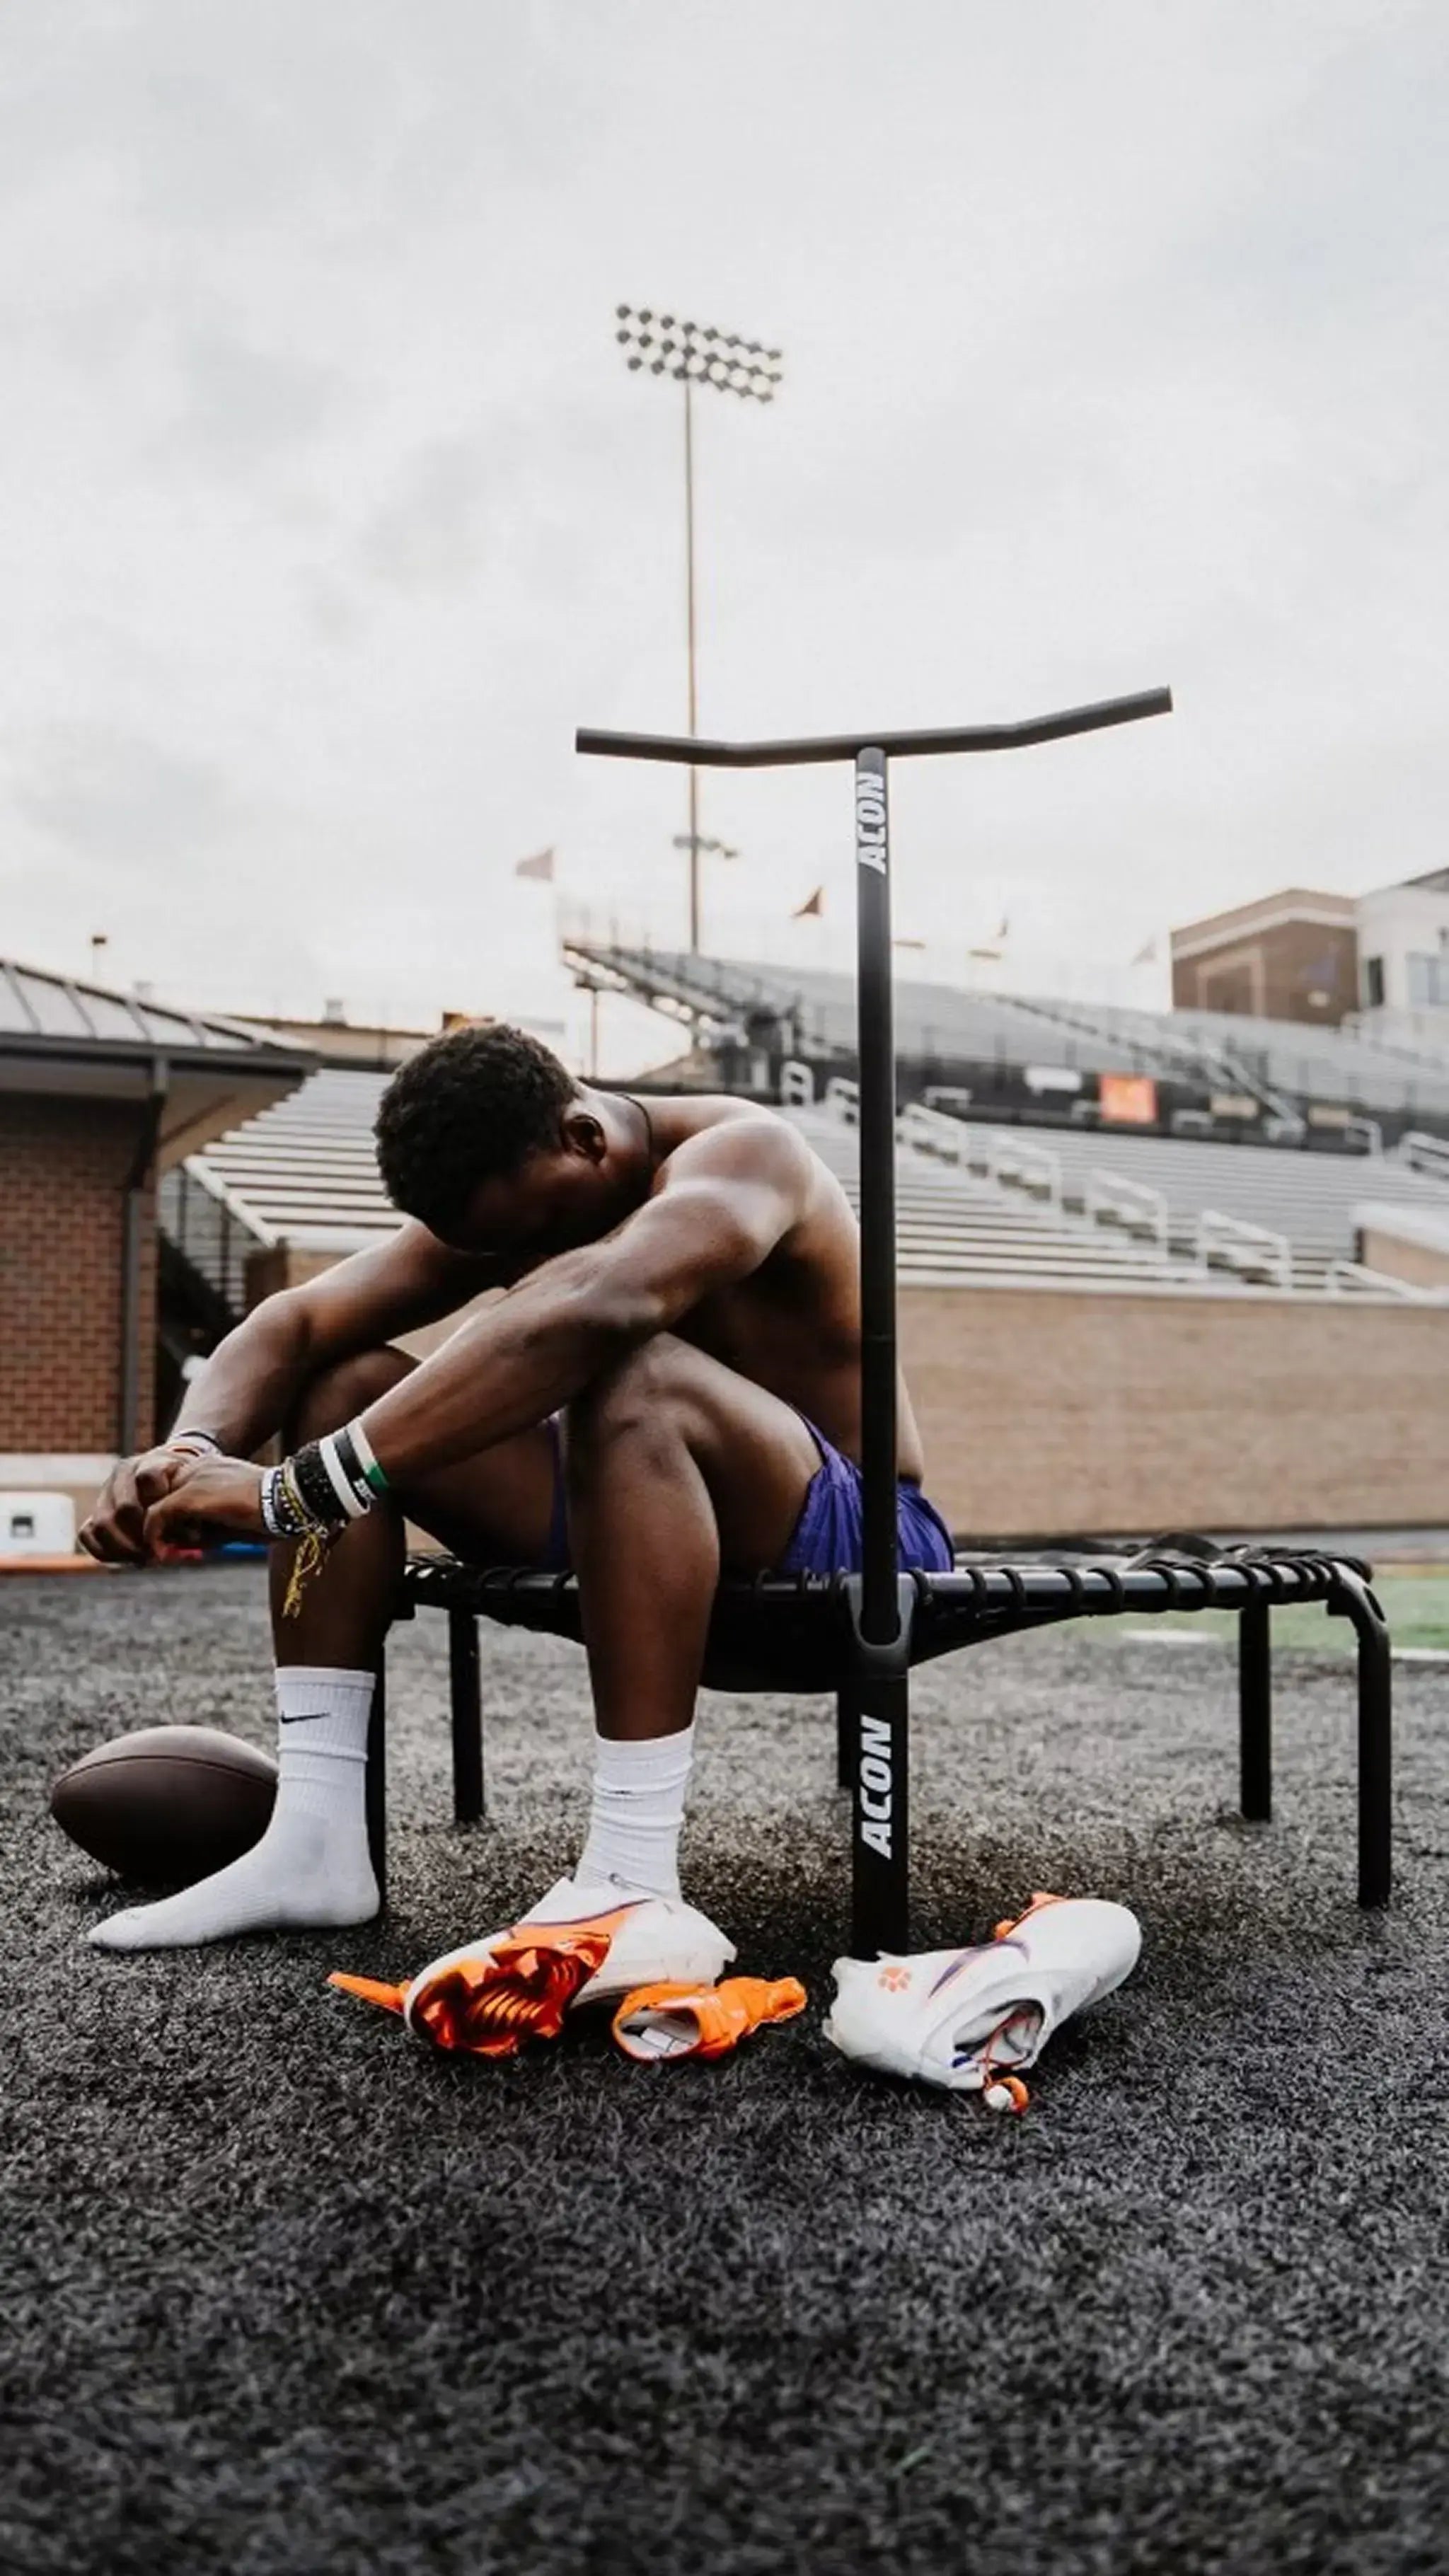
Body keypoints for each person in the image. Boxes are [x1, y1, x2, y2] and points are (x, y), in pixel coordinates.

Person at [79, 1024, 952, 1968]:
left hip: (854, 1535)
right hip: (637, 1509)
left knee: (631, 1370)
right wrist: (187, 1448)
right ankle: (318, 1840)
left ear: (586, 1135)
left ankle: (630, 1881)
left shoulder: (746, 1151)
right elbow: (293, 1322)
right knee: (340, 1384)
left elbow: (602, 1301)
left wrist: (294, 1492)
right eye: (498, 1248)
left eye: (529, 1233)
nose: (521, 1254)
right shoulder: (521, 1194)